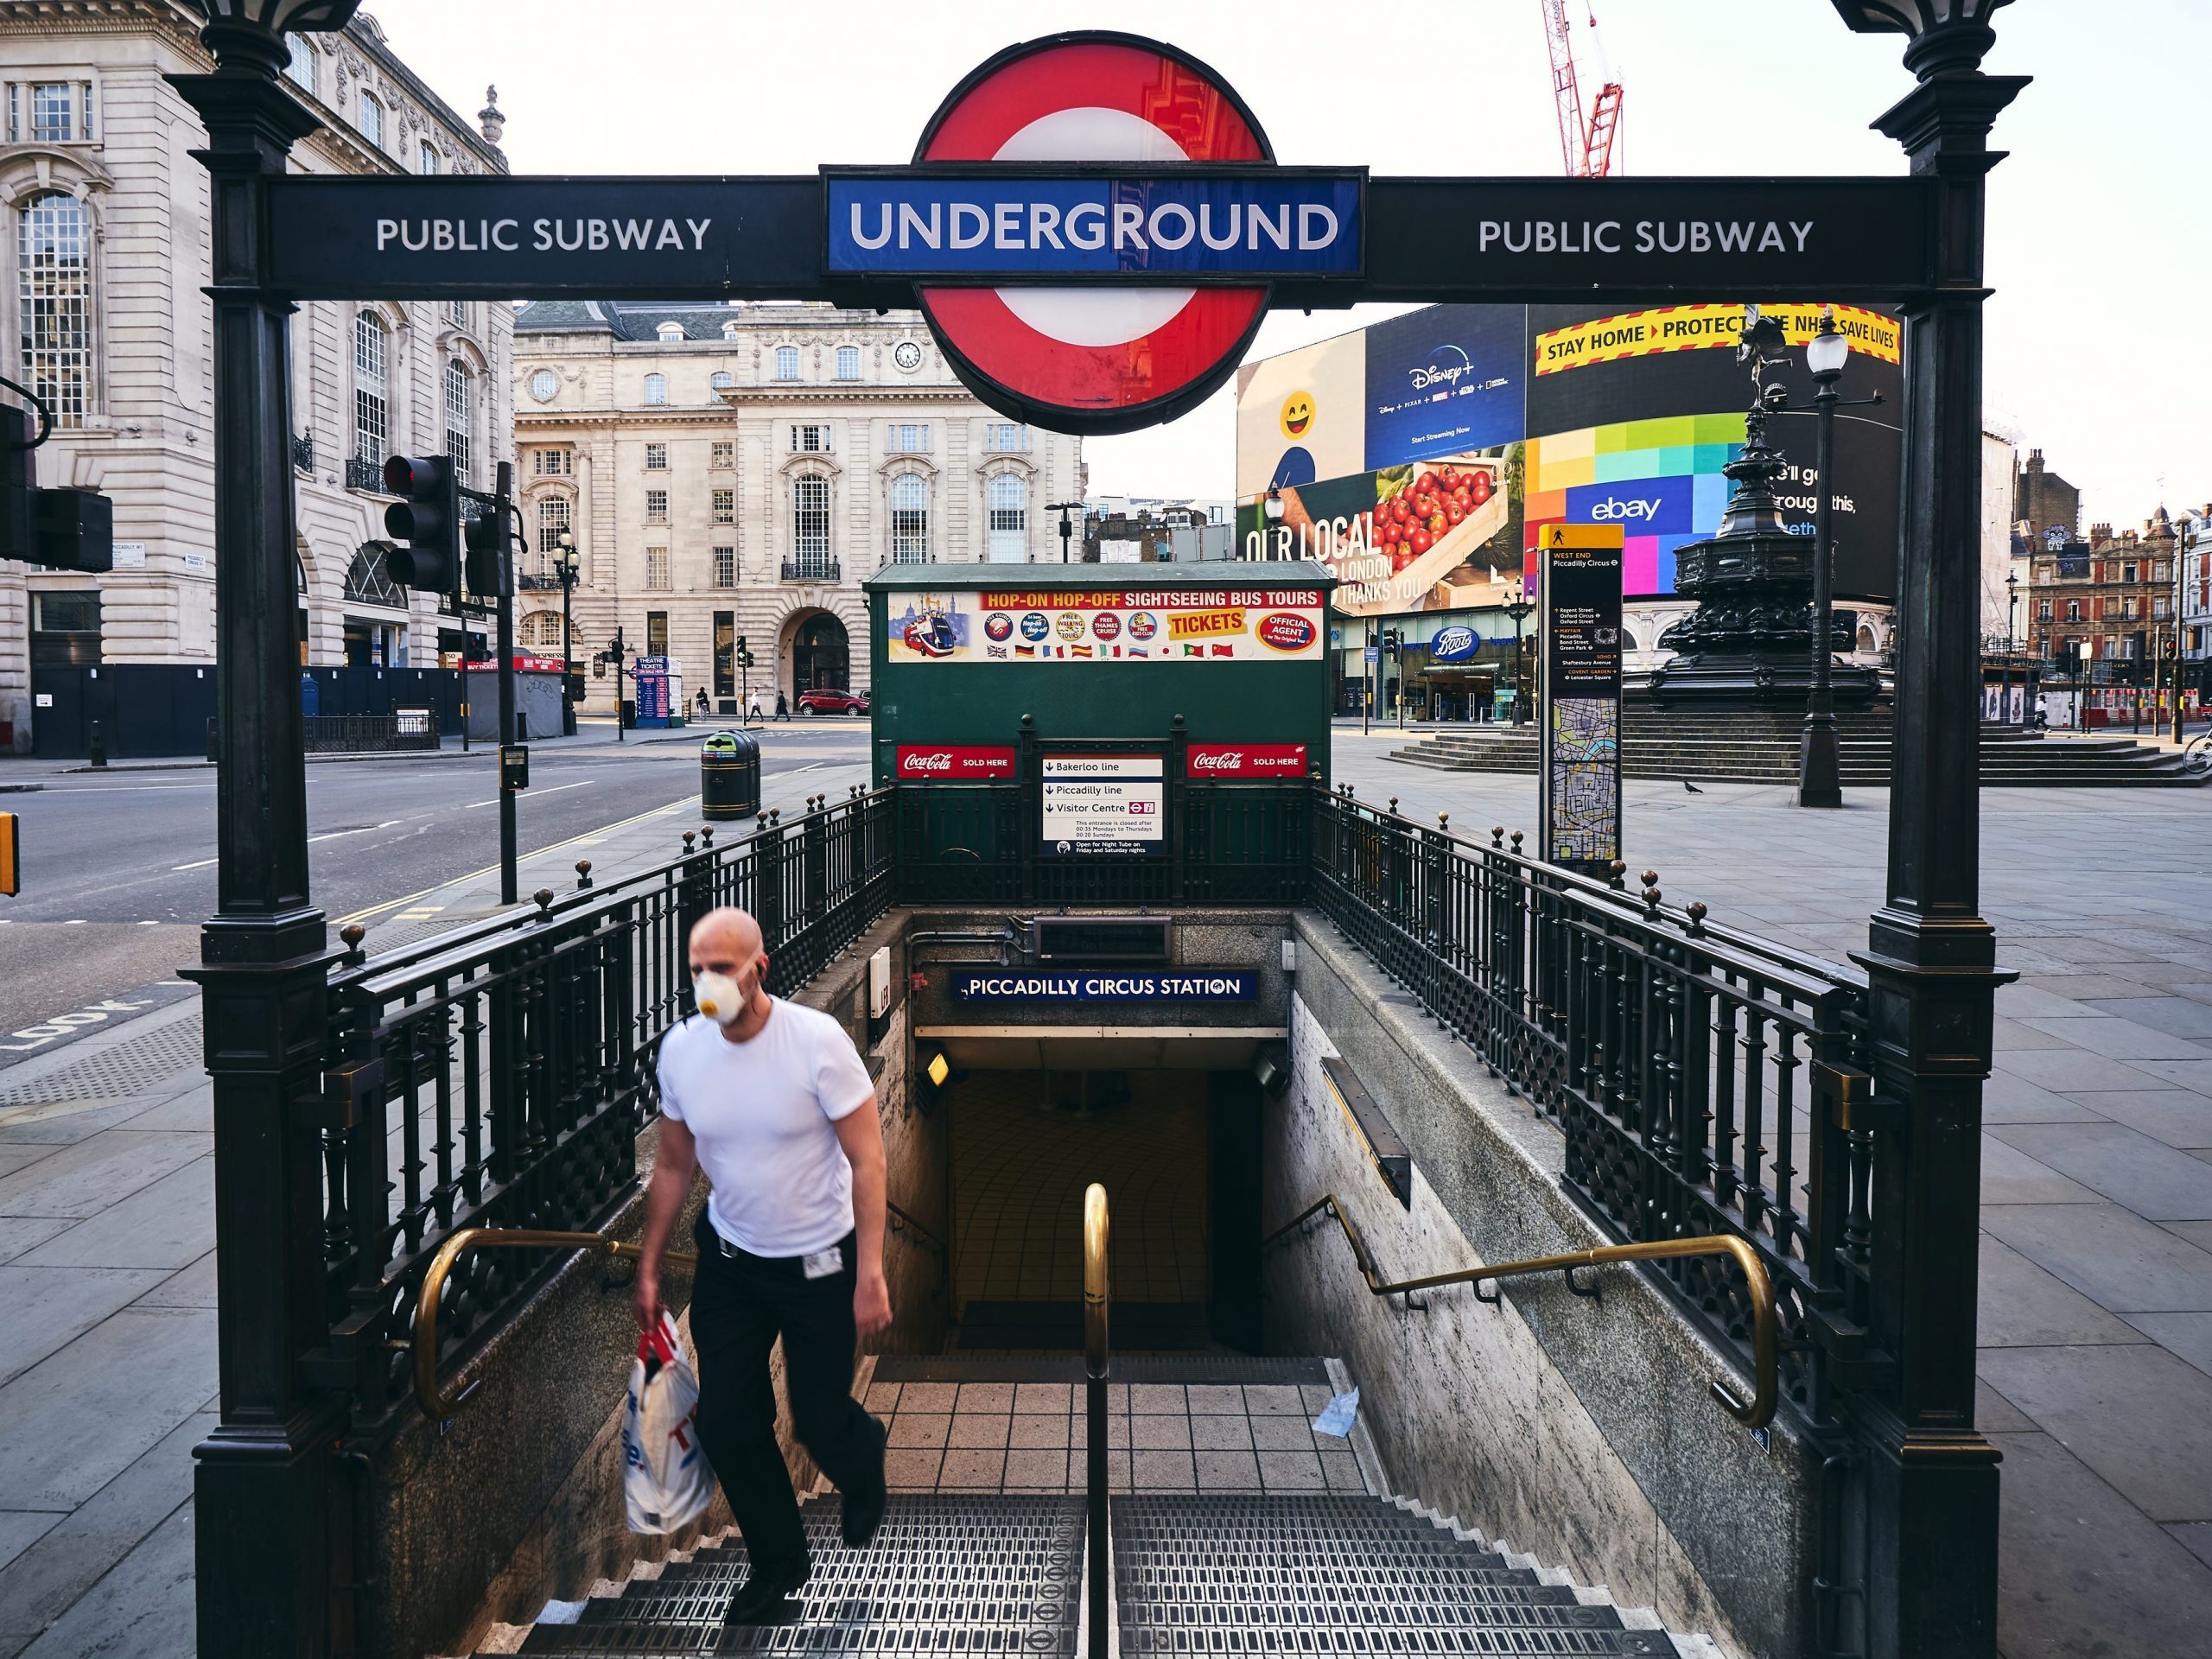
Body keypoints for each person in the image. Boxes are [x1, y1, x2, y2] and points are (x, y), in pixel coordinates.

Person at [634, 906, 892, 1624]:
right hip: (731, 1264)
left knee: (817, 1419)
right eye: (696, 970)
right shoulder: (683, 1051)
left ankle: (861, 1454)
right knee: (725, 1422)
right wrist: (650, 1266)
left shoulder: (816, 1044)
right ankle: (778, 1563)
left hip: (819, 1263)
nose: (708, 982)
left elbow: (868, 1159)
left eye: (722, 968)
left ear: (759, 969)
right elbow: (675, 1163)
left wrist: (869, 1270)